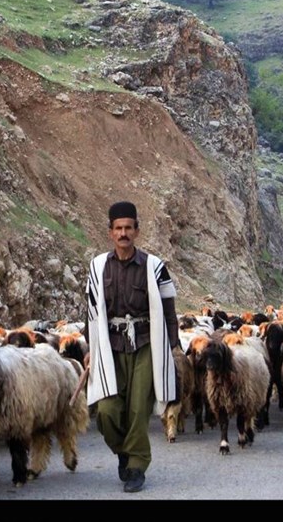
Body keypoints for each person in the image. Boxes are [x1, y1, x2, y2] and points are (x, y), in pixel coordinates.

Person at [84, 201, 180, 493]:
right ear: (110, 232)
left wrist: (173, 347)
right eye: (118, 228)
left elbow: (169, 311)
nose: (123, 233)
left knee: (138, 410)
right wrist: (89, 348)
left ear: (137, 231)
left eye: (128, 228)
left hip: (146, 343)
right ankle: (124, 452)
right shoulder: (98, 267)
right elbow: (90, 312)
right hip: (110, 345)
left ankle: (137, 466)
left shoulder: (154, 267)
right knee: (106, 410)